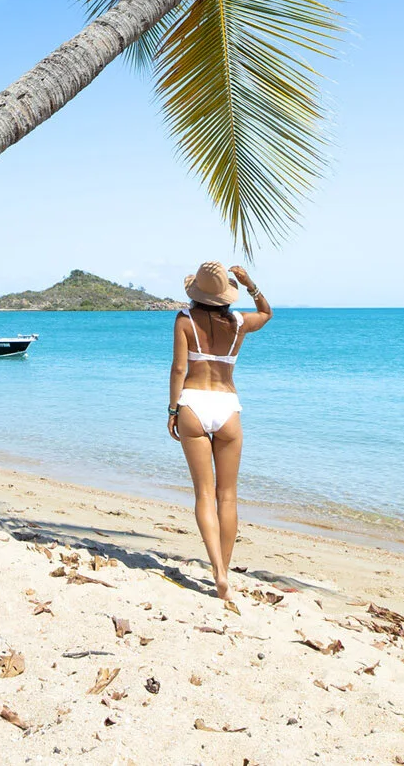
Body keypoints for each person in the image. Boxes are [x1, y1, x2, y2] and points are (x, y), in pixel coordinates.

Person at [168, 260, 272, 611]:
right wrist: (249, 282)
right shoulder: (239, 322)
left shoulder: (184, 320)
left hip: (193, 404)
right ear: (226, 295)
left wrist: (172, 409)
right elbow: (267, 313)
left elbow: (180, 367)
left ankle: (217, 570)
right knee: (227, 496)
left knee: (203, 495)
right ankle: (224, 569)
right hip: (227, 407)